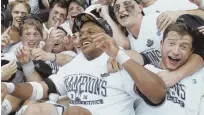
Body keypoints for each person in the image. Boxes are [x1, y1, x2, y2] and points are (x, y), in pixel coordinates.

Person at [1, 13, 166, 115]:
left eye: (91, 32)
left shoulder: (119, 60)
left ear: (107, 35)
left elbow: (157, 95)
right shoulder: (74, 64)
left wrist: (119, 54)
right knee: (35, 110)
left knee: (74, 112)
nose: (84, 36)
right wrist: (9, 88)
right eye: (81, 34)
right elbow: (40, 90)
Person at [135, 15, 204, 115]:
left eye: (183, 47)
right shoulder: (145, 71)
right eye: (171, 43)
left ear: (191, 51)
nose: (176, 51)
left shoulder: (199, 73)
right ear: (161, 44)